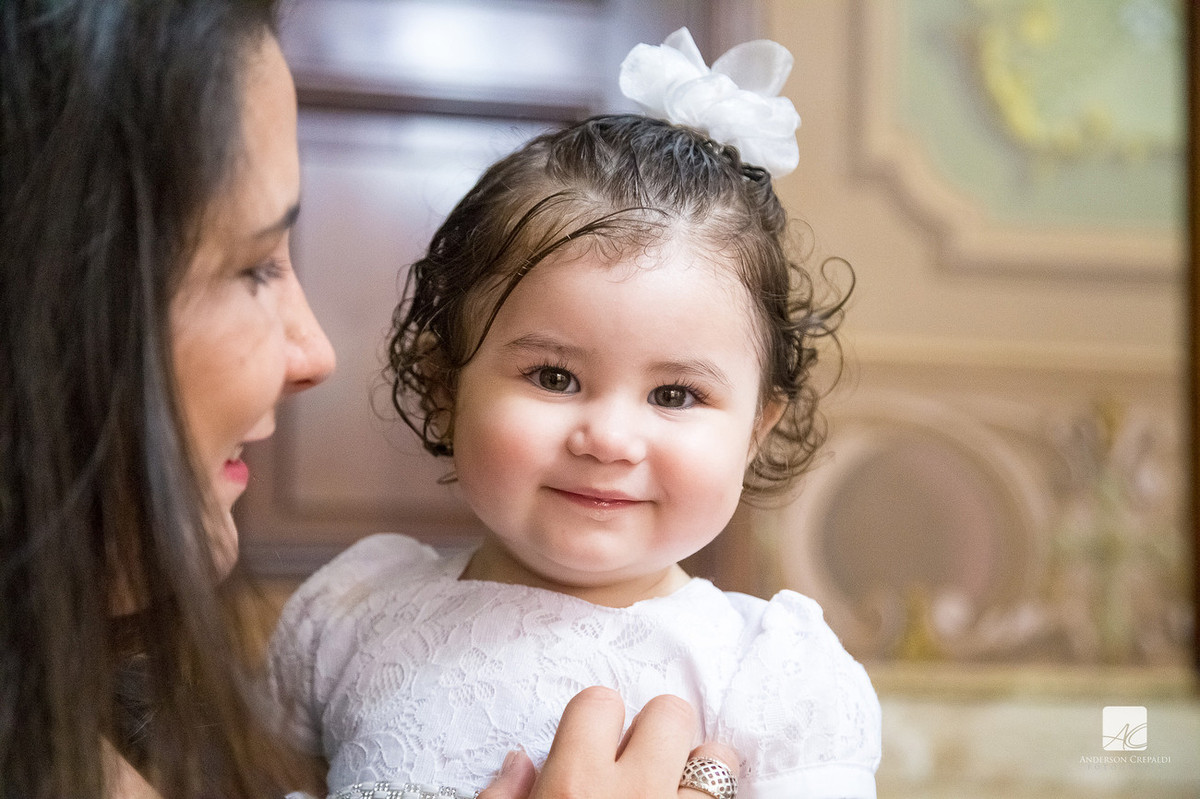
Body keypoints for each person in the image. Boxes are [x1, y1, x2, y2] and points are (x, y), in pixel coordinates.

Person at [0, 3, 735, 797]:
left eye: (675, 392)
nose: (315, 353)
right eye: (253, 265)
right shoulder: (357, 604)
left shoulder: (765, 659)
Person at [269, 29, 881, 799]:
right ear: (445, 384)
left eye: (675, 394)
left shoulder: (773, 673)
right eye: (554, 376)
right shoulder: (354, 608)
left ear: (756, 428)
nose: (610, 438)